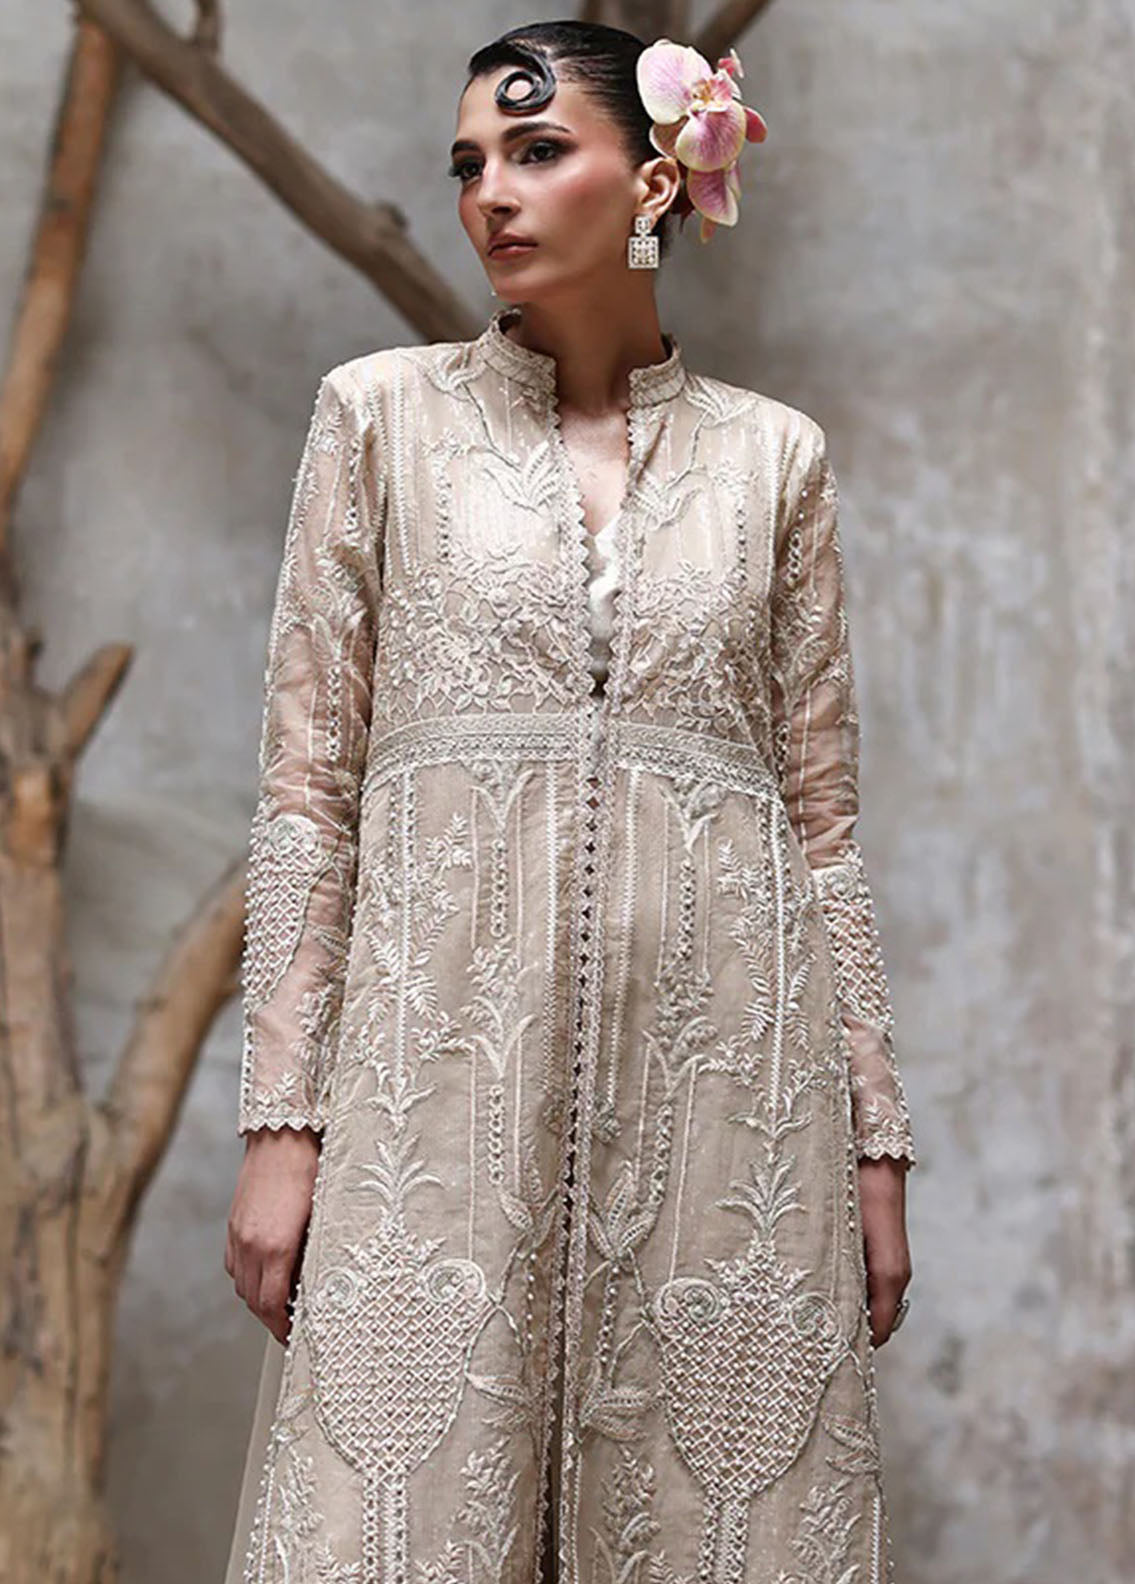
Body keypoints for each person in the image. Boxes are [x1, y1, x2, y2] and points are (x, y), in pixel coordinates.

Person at [223, 20, 917, 1584]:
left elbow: (820, 831)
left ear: (658, 179)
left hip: (730, 1115)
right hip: (432, 1104)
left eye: (538, 151)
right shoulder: (377, 419)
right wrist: (281, 1122)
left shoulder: (775, 461)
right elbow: (306, 795)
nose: (492, 190)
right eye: (469, 161)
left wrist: (874, 1142)